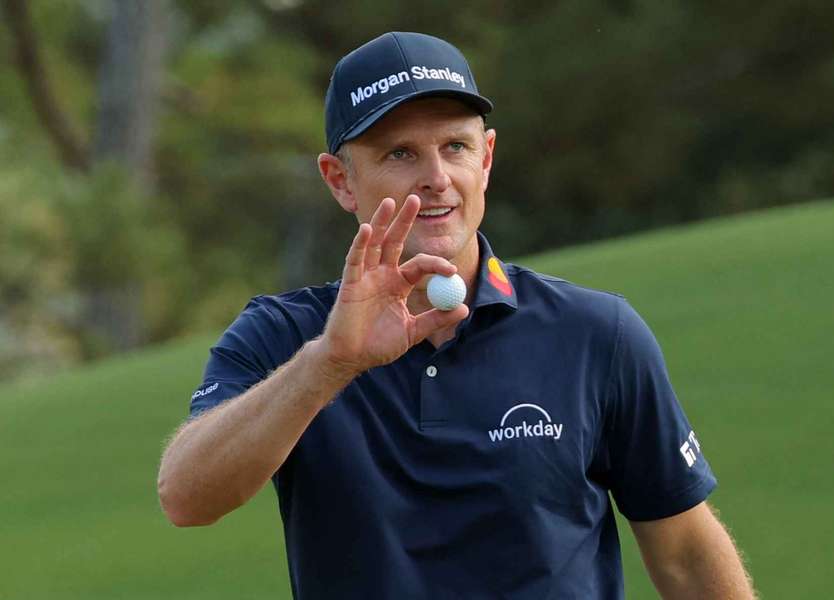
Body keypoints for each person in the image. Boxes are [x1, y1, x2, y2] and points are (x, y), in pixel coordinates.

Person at [158, 31, 756, 599]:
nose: (437, 178)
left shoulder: (598, 334)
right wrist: (328, 365)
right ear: (341, 181)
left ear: (486, 158)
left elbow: (683, 551)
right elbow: (187, 497)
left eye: (456, 147)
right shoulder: (283, 336)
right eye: (400, 153)